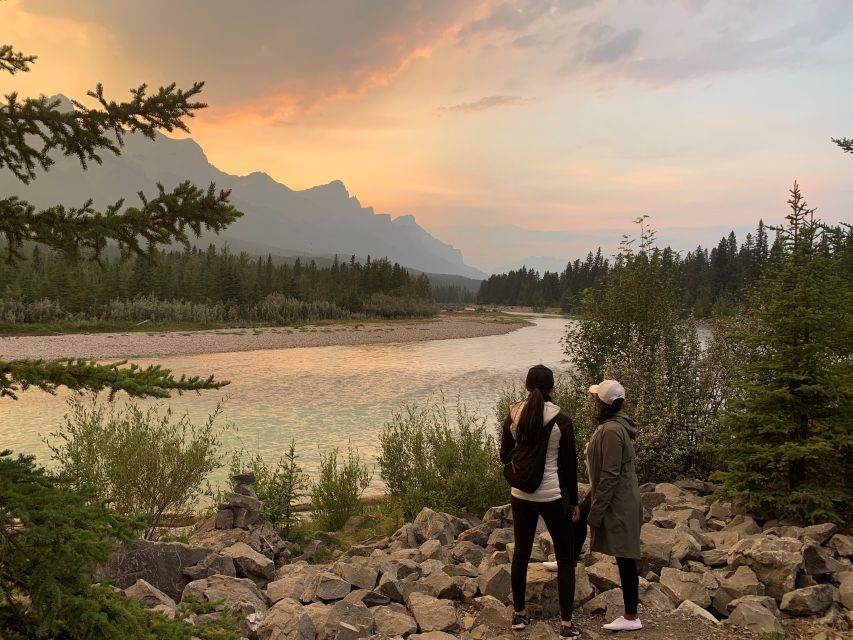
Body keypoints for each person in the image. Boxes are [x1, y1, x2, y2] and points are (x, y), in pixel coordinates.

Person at [500, 365, 581, 638]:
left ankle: (520, 616)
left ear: (525, 387)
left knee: (521, 553)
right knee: (565, 559)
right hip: (551, 495)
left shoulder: (513, 415)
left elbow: (504, 455)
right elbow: (569, 467)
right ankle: (566, 626)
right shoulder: (562, 421)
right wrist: (574, 502)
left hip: (520, 494)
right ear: (552, 389)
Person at [585, 379, 644, 632]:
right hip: (622, 499)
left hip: (620, 503)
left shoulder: (610, 430)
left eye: (596, 397)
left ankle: (631, 616)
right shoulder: (617, 425)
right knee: (624, 556)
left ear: (603, 402)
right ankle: (570, 559)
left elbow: (610, 474)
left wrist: (595, 512)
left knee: (625, 557)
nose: (594, 400)